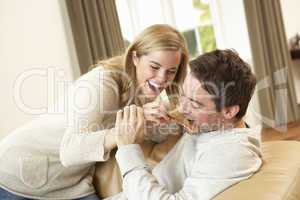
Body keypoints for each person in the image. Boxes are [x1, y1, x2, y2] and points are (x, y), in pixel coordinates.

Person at [0, 24, 189, 200]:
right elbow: (70, 151)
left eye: (171, 71)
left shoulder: (142, 93)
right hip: (23, 173)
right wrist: (125, 129)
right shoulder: (103, 83)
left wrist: (164, 121)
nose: (162, 78)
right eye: (154, 67)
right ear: (135, 57)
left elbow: (142, 137)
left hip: (73, 183)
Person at [110, 49, 263, 200]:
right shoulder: (212, 126)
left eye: (195, 103)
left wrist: (127, 150)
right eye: (183, 95)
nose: (182, 107)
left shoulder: (231, 153)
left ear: (229, 111)